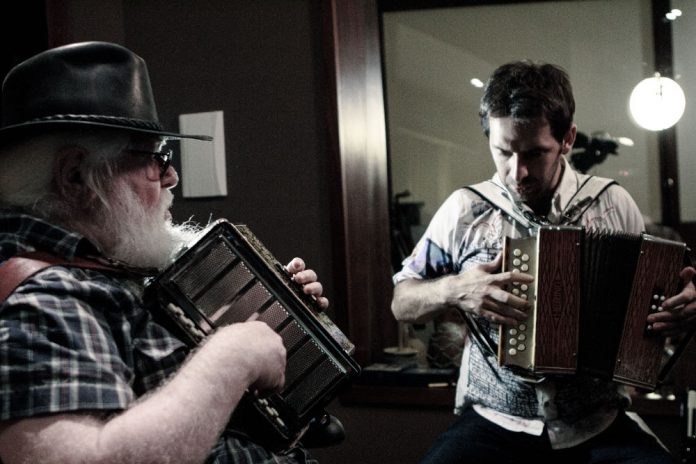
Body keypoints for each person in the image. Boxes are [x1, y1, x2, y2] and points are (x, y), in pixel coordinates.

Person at [0, 41, 331, 464]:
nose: (171, 176)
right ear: (76, 175)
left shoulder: (104, 270)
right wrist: (232, 356)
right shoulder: (46, 299)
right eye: (157, 158)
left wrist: (267, 325)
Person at [391, 60, 696, 463]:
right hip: (494, 421)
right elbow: (402, 301)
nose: (517, 172)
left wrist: (681, 304)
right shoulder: (464, 209)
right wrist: (457, 289)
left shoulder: (611, 202)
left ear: (568, 139)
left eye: (535, 153)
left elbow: (652, 295)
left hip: (596, 423)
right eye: (503, 151)